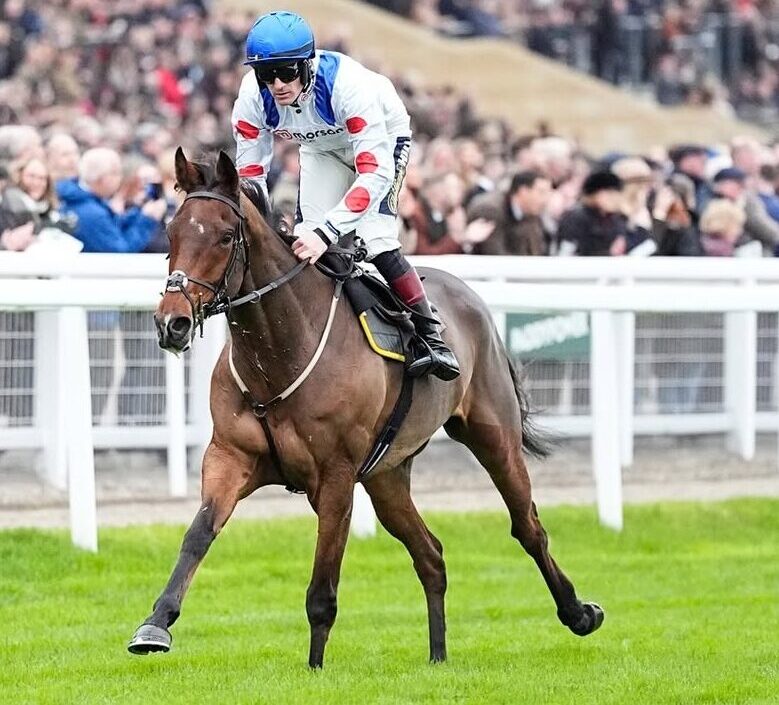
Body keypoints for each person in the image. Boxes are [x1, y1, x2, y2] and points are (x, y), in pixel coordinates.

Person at [231, 10, 458, 380]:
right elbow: (250, 176)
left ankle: (431, 335)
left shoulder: (348, 86)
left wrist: (327, 233)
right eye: (265, 74)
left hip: (380, 142)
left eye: (287, 71)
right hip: (321, 150)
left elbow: (373, 172)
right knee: (306, 240)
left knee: (376, 239)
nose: (276, 84)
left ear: (307, 64)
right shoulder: (251, 97)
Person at [57, 148, 167, 253]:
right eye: (116, 173)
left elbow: (115, 225)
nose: (120, 178)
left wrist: (139, 211)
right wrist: (147, 220)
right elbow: (120, 253)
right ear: (101, 178)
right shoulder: (91, 212)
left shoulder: (89, 200)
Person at [467, 170, 551, 255]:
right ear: (523, 191)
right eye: (541, 193)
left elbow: (537, 251)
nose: (545, 199)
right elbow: (494, 253)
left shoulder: (532, 213)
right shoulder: (489, 210)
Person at [556, 171, 630, 256]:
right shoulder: (575, 219)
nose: (614, 200)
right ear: (594, 194)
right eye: (609, 194)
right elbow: (567, 253)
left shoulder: (616, 220)